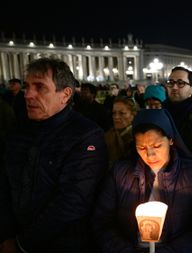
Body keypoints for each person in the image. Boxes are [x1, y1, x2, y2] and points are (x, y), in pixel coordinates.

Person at [0, 58, 108, 253]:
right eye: (27, 86)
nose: (28, 94)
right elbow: (4, 184)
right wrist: (7, 234)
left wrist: (22, 244)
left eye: (40, 87)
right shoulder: (17, 131)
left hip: (62, 245)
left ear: (65, 94)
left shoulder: (86, 136)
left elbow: (73, 201)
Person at [92, 109, 192, 253]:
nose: (150, 155)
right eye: (141, 147)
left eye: (157, 146)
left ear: (171, 140)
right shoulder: (120, 174)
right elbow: (102, 222)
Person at [104, 96, 138, 168]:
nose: (116, 117)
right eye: (114, 113)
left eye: (122, 113)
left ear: (133, 115)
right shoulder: (107, 136)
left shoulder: (139, 137)